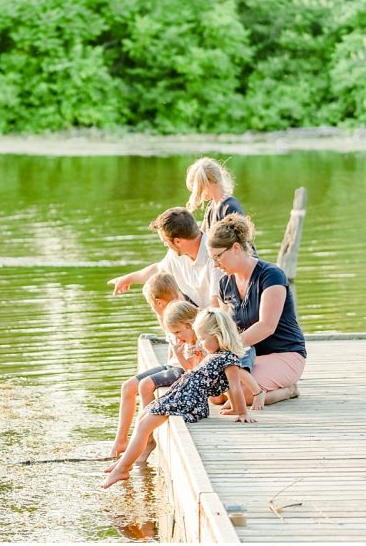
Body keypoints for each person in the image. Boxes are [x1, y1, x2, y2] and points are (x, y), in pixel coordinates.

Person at [101, 307, 255, 489]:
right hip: (182, 393)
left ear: (218, 335)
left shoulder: (229, 359)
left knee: (145, 424)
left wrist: (242, 412)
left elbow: (235, 386)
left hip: (189, 400)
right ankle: (123, 464)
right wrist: (233, 408)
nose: (200, 343)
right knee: (143, 415)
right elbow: (225, 385)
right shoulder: (215, 355)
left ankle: (123, 468)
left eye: (203, 338)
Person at [208, 213, 306, 409]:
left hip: (285, 353)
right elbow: (227, 329)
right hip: (249, 355)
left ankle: (289, 390)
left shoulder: (271, 275)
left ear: (236, 248)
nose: (215, 264)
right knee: (215, 395)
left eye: (217, 257)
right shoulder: (224, 284)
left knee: (242, 394)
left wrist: (230, 347)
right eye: (212, 259)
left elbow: (266, 326)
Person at [109, 300, 204, 458]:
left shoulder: (199, 342)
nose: (176, 337)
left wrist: (179, 355)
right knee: (127, 386)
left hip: (181, 370)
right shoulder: (183, 337)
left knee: (146, 385)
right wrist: (174, 352)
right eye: (173, 333)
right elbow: (170, 359)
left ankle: (148, 439)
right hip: (171, 366)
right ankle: (121, 440)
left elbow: (193, 372)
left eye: (177, 332)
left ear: (190, 325)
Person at [108, 207, 222, 309]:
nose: (165, 245)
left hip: (222, 319)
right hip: (202, 316)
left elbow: (217, 306)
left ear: (178, 241)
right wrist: (128, 279)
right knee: (154, 288)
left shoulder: (215, 255)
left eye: (165, 242)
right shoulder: (177, 254)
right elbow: (158, 270)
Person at [185, 157, 245, 234]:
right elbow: (201, 238)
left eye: (196, 188)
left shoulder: (230, 207)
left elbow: (242, 242)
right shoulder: (211, 207)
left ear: (205, 183)